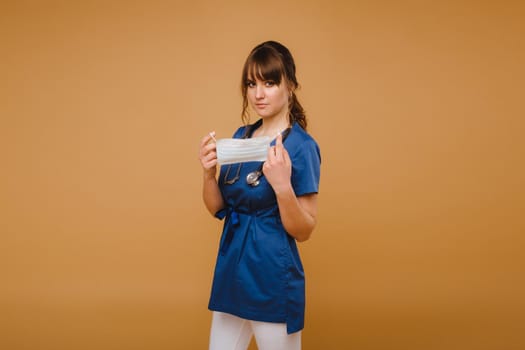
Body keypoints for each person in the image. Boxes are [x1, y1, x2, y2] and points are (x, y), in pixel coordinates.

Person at [198, 40, 321, 350]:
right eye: (251, 84)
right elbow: (218, 208)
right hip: (231, 273)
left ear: (290, 84)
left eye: (269, 82)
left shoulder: (302, 147)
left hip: (271, 278)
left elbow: (304, 229)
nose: (258, 94)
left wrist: (282, 186)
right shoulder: (241, 137)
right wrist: (208, 174)